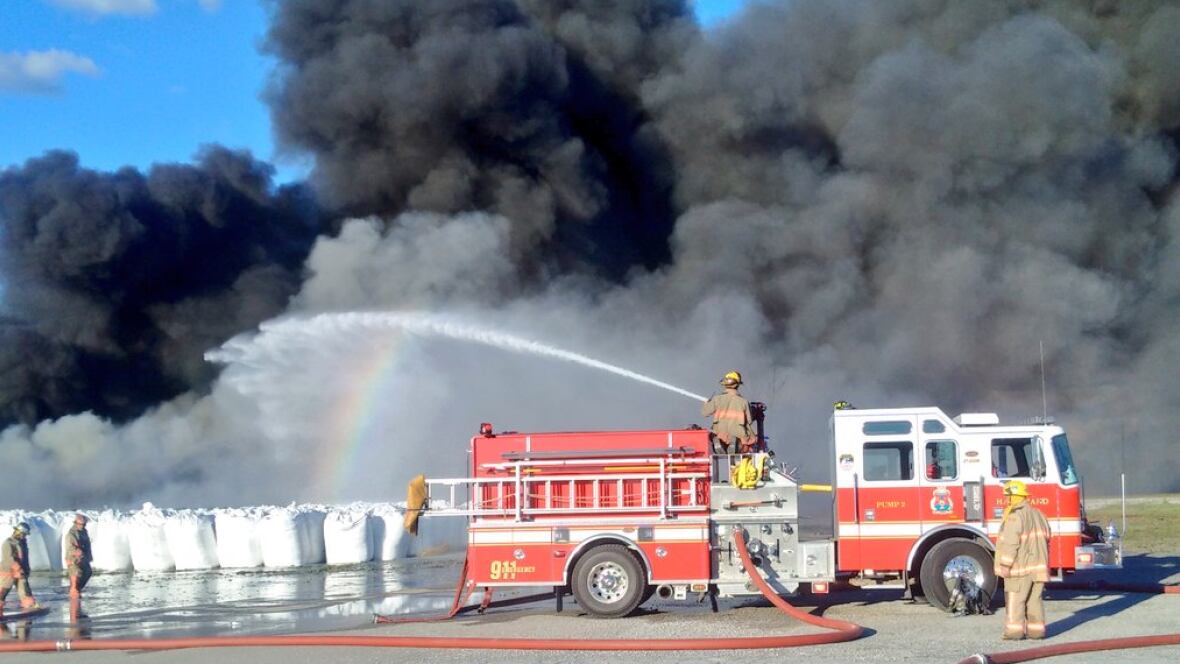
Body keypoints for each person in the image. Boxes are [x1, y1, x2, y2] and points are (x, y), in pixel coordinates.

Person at [994, 479, 1051, 640]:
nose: (1006, 500)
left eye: (1008, 497)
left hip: (1020, 569)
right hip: (1039, 568)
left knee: (1015, 600)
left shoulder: (1015, 517)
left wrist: (1005, 564)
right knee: (1034, 600)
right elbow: (1047, 538)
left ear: (1014, 497)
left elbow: (1011, 543)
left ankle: (1014, 633)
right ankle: (1036, 632)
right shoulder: (1039, 514)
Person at [700, 371, 756, 453]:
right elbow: (749, 420)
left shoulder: (717, 399)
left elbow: (704, 413)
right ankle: (736, 444)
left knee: (714, 435)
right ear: (737, 384)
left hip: (720, 434)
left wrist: (706, 404)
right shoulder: (743, 402)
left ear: (724, 384)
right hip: (738, 436)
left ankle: (720, 443)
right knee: (751, 439)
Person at [0, 523, 37, 613]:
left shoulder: (23, 543)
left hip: (21, 572)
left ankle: (29, 606)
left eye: (25, 535)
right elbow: (8, 558)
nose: (24, 536)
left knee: (25, 589)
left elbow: (24, 558)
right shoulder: (8, 543)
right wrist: (18, 568)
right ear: (18, 532)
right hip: (8, 571)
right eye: (23, 534)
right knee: (4, 591)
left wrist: (26, 569)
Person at [65, 514, 93, 598]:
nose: (83, 526)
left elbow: (87, 544)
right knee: (76, 573)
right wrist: (77, 552)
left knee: (88, 572)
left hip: (83, 557)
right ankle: (74, 591)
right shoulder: (71, 534)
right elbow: (70, 548)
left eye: (84, 524)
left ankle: (78, 589)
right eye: (81, 524)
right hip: (74, 558)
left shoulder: (84, 532)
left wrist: (88, 556)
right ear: (76, 523)